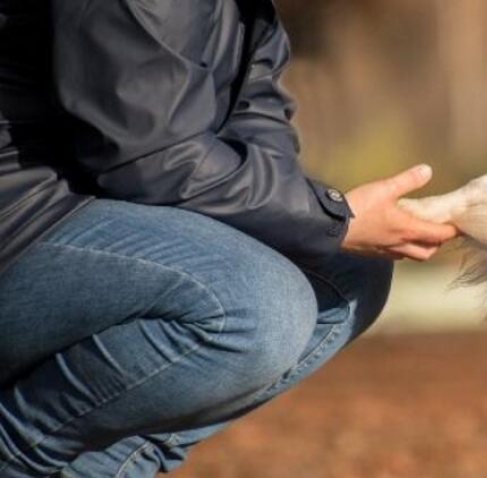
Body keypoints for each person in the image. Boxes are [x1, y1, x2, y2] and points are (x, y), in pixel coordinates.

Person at [0, 1, 458, 476]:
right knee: (254, 304)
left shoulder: (248, 11)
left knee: (344, 272)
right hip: (19, 222)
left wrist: (331, 223)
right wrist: (337, 221)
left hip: (80, 209)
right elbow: (152, 160)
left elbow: (256, 134)